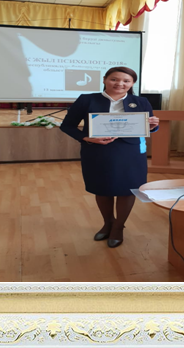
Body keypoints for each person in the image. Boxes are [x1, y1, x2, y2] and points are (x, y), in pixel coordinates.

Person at [60, 67, 160, 248]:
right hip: (98, 151)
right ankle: (108, 223)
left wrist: (153, 125)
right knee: (102, 188)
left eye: (126, 81)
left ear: (132, 84)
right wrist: (86, 138)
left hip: (130, 153)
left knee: (127, 189)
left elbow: (148, 126)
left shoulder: (141, 101)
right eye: (114, 79)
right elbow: (67, 126)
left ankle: (118, 227)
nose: (120, 84)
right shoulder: (87, 100)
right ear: (105, 79)